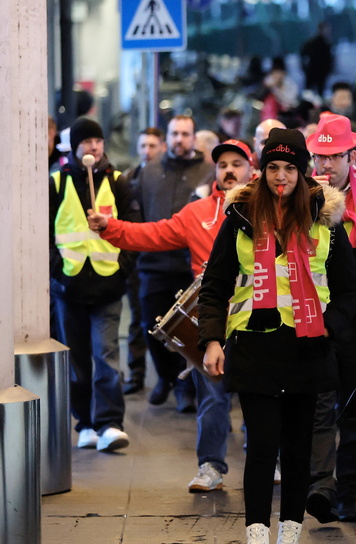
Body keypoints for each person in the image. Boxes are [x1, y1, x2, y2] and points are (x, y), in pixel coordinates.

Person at [197, 128, 356, 544]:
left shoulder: (324, 219)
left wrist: (332, 326)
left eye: (290, 168)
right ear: (262, 169)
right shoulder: (240, 217)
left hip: (309, 347)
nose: (281, 176)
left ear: (303, 172)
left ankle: (288, 536)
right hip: (255, 347)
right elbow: (215, 286)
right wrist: (213, 340)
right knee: (262, 448)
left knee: (296, 452)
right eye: (273, 167)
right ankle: (257, 537)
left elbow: (349, 291)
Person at [87, 139, 255, 491]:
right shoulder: (197, 213)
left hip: (261, 320)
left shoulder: (270, 210)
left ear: (251, 168)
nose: (228, 170)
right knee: (211, 396)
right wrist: (110, 227)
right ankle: (211, 467)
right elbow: (153, 233)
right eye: (222, 164)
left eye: (237, 163)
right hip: (212, 322)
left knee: (263, 395)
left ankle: (269, 459)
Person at [304, 112, 356, 523]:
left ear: (351, 156)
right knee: (318, 406)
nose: (325, 166)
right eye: (320, 157)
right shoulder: (300, 200)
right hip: (316, 320)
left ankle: (347, 493)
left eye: (334, 157)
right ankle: (320, 486)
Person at [49, 117, 140, 452]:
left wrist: (123, 269)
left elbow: (134, 229)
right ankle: (84, 422)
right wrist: (56, 270)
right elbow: (43, 231)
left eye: (97, 141)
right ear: (74, 147)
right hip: (69, 285)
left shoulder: (118, 181)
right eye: (86, 141)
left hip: (108, 284)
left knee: (106, 355)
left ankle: (110, 423)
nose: (93, 147)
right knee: (76, 359)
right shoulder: (57, 181)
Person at [135, 115, 215, 410]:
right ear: (167, 137)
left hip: (190, 269)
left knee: (189, 334)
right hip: (153, 265)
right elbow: (139, 214)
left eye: (185, 134)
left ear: (194, 138)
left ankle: (185, 388)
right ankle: (166, 378)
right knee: (151, 326)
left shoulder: (208, 173)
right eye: (175, 134)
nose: (180, 139)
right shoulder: (150, 171)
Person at [121, 126, 167, 395]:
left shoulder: (166, 176)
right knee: (138, 318)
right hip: (136, 258)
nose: (147, 151)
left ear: (161, 147)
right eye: (143, 146)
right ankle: (136, 371)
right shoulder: (129, 179)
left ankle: (172, 378)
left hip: (163, 257)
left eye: (152, 145)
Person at [300, 22, 335, 98]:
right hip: (313, 71)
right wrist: (304, 67)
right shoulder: (313, 43)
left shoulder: (327, 43)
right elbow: (303, 54)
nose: (328, 31)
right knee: (309, 92)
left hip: (320, 72)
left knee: (318, 92)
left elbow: (331, 59)